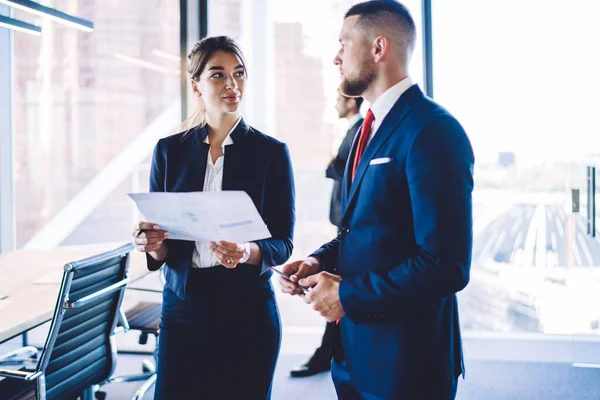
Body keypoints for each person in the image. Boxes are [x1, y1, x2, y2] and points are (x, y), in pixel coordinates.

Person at [279, 1, 474, 399]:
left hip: (407, 365)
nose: (335, 57)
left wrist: (345, 295)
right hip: (354, 356)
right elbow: (364, 229)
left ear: (378, 48)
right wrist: (319, 260)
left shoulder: (433, 131)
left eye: (343, 43)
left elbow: (445, 266)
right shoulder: (365, 130)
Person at [132, 36, 295, 400]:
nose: (232, 84)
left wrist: (246, 251)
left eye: (238, 73)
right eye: (218, 75)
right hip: (183, 310)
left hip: (247, 311)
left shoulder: (271, 154)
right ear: (196, 86)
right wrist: (152, 245)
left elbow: (282, 244)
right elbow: (161, 248)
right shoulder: (169, 152)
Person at [290, 92, 363, 378]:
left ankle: (326, 354)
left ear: (351, 102)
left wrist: (334, 160)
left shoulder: (358, 132)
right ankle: (329, 354)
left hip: (351, 226)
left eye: (339, 99)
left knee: (337, 292)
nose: (334, 104)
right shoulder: (351, 131)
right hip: (343, 229)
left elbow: (337, 169)